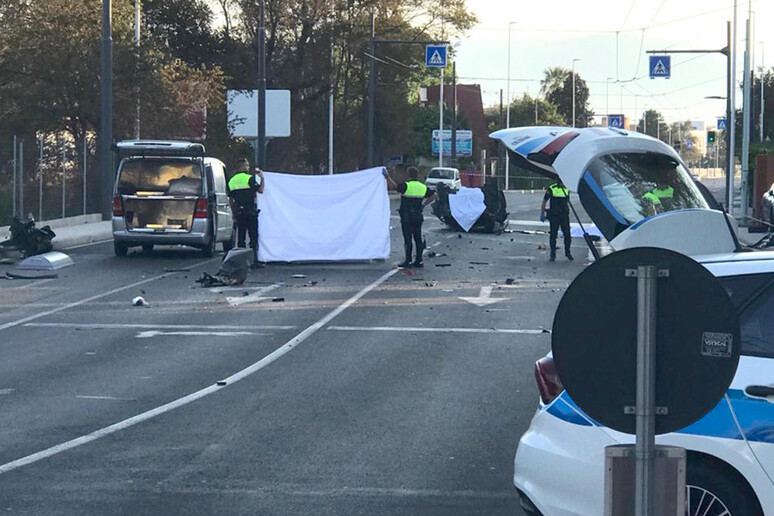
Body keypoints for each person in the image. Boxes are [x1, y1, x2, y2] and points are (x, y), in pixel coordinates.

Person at [386, 166, 435, 268]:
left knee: (408, 239)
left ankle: (408, 261)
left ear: (408, 175)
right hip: (418, 215)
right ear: (417, 175)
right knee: (418, 238)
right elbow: (434, 195)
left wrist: (387, 177)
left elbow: (394, 187)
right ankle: (419, 261)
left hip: (407, 217)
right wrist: (424, 205)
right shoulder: (423, 187)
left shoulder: (406, 186)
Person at [227, 158, 265, 266]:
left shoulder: (231, 180)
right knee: (253, 237)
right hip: (250, 212)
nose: (248, 167)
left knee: (241, 238)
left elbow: (231, 199)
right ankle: (253, 261)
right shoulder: (249, 178)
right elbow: (261, 190)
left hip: (239, 212)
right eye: (247, 165)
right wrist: (262, 178)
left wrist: (233, 212)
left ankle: (242, 262)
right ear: (243, 166)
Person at [540, 180, 573, 262]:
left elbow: (566, 201)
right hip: (554, 216)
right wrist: (542, 213)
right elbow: (544, 201)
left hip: (564, 216)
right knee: (553, 235)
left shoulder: (567, 189)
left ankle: (568, 252)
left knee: (567, 235)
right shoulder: (552, 188)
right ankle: (553, 254)